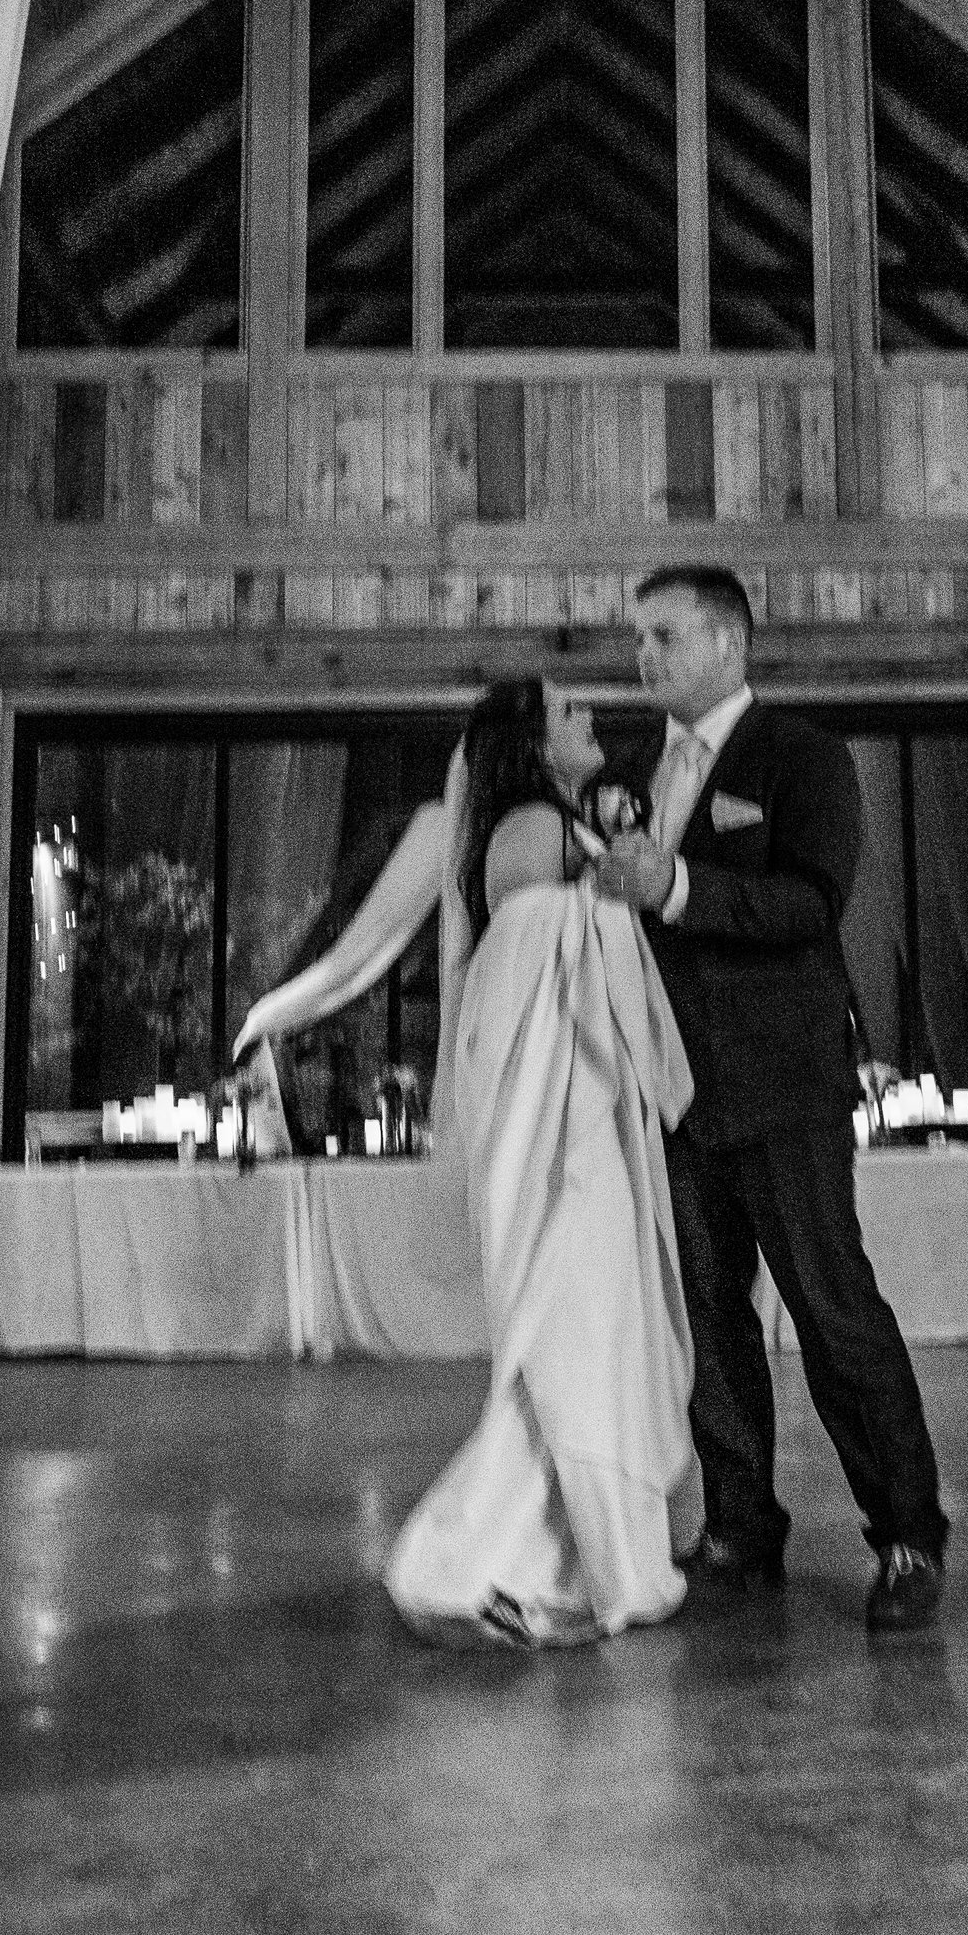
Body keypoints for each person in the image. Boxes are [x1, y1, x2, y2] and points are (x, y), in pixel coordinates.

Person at [236, 677, 700, 1648]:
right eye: (570, 714)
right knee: (576, 1343)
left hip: (586, 1123)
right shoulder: (529, 829)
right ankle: (483, 1558)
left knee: (581, 1347)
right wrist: (612, 889)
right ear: (531, 745)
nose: (589, 725)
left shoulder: (551, 825)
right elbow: (533, 956)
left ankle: (552, 1554)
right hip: (567, 1141)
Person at [590, 565, 949, 1635]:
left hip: (784, 1088)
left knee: (833, 1313)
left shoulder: (803, 758)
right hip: (671, 1093)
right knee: (707, 1326)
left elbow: (811, 900)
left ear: (730, 642)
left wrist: (679, 888)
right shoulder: (630, 769)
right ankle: (740, 1526)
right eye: (636, 639)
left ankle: (907, 1538)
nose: (641, 657)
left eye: (662, 636)